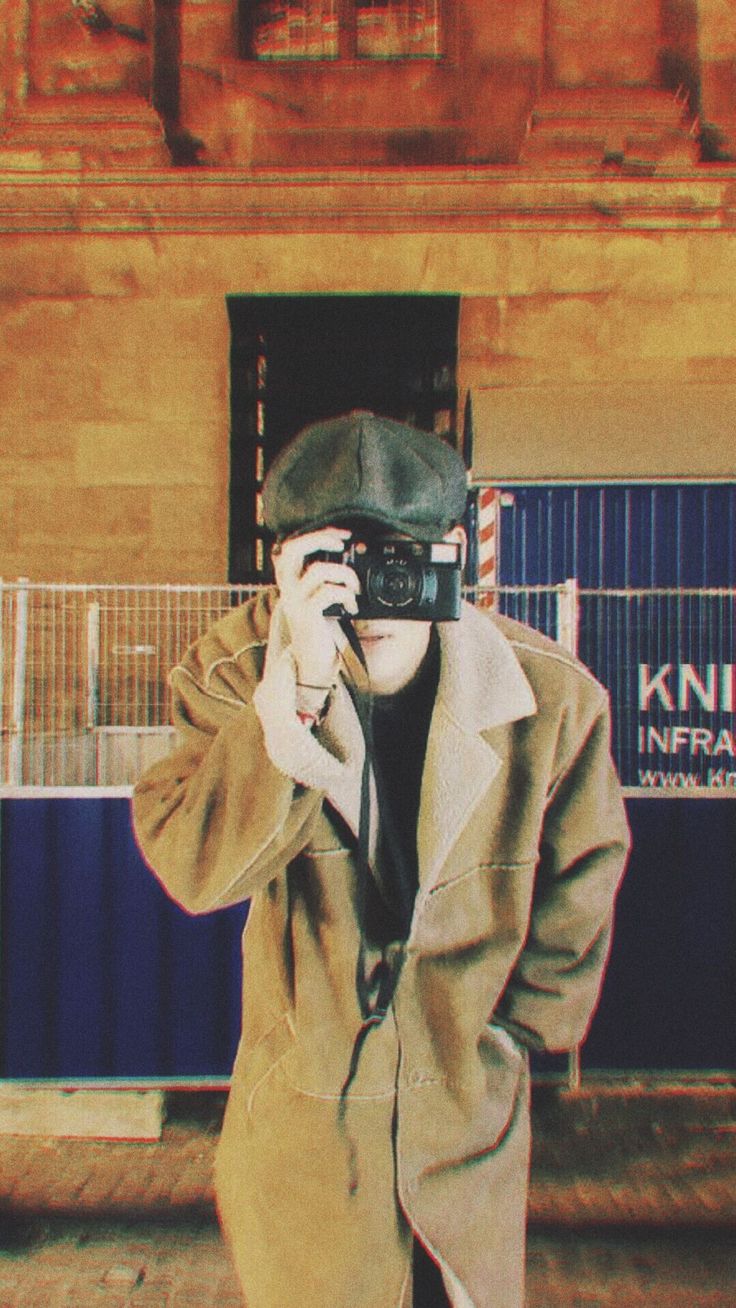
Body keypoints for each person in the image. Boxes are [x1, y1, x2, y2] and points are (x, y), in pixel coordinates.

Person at [132, 410, 630, 1308]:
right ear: (282, 567)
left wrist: (508, 1042)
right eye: (344, 565)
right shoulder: (233, 671)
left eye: (407, 562)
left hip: (463, 1125)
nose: (378, 593)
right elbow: (194, 867)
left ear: (461, 557)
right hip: (307, 1129)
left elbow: (581, 880)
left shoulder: (554, 699)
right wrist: (300, 691)